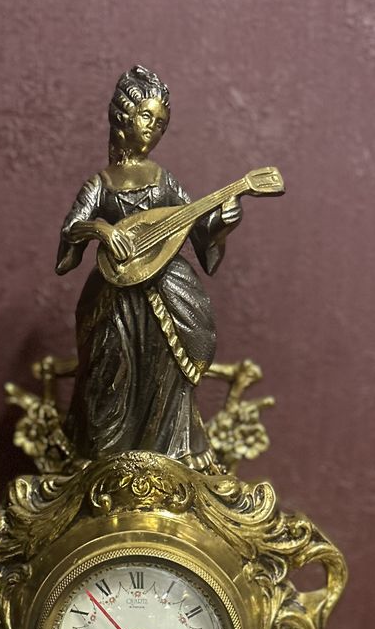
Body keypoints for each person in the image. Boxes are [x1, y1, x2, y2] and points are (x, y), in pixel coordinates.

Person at [57, 65, 242, 466]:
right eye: (147, 117)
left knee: (166, 369)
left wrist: (222, 225)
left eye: (161, 124)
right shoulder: (100, 183)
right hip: (114, 297)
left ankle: (170, 456)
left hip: (167, 292)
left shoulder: (164, 180)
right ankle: (104, 460)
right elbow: (72, 228)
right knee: (110, 369)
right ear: (123, 117)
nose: (153, 129)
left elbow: (196, 227)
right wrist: (102, 230)